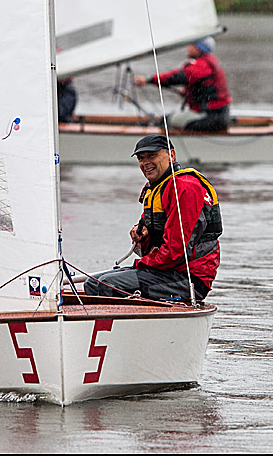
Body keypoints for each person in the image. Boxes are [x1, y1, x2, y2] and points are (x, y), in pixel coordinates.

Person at [84, 135, 222, 303]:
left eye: (152, 156)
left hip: (188, 279)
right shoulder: (157, 188)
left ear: (171, 155)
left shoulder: (185, 188)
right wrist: (141, 236)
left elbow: (175, 252)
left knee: (104, 285)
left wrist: (141, 264)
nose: (145, 163)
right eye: (141, 158)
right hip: (165, 271)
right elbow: (157, 244)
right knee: (91, 284)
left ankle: (128, 325)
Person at [133, 36, 231, 131]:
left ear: (199, 48)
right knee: (169, 118)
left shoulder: (201, 65)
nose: (188, 47)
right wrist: (187, 92)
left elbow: (176, 77)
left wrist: (149, 79)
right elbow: (206, 87)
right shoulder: (211, 61)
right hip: (218, 117)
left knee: (166, 121)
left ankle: (161, 144)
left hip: (210, 119)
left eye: (192, 45)